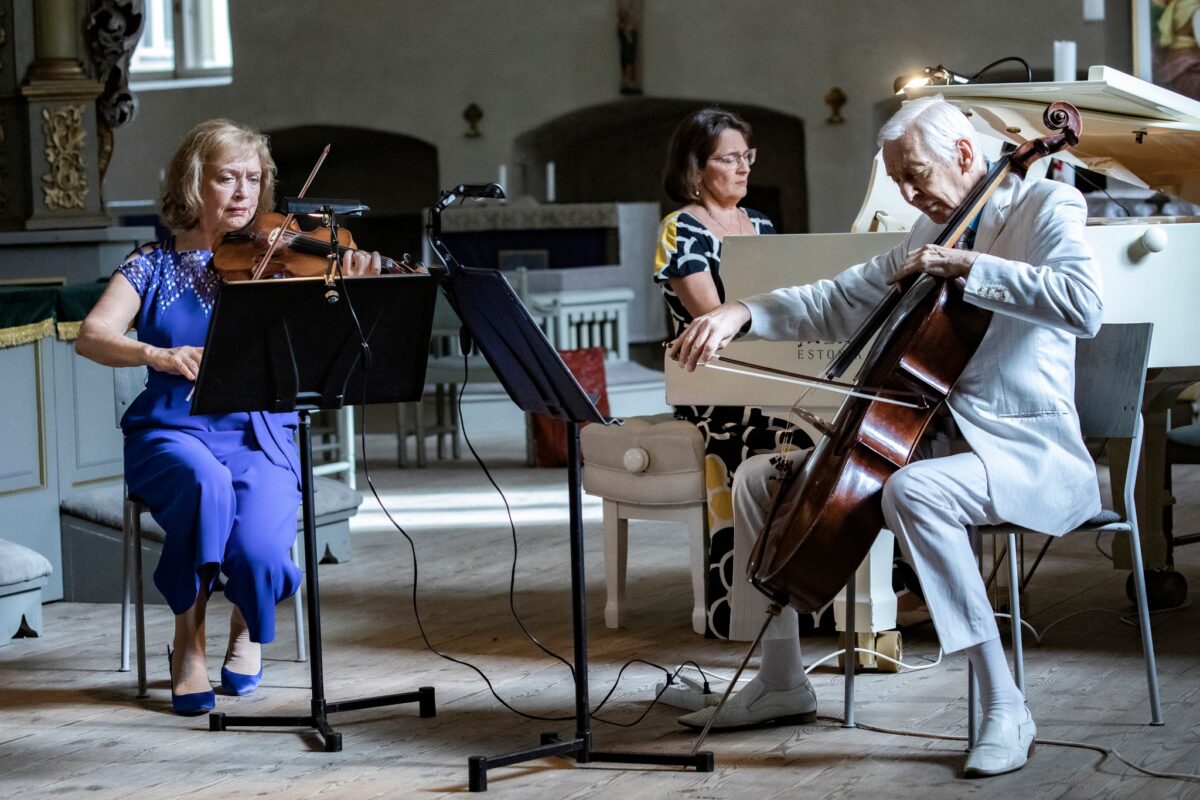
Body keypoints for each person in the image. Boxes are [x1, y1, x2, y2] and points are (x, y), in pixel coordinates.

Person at [669, 95, 1102, 778]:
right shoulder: (930, 231)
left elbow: (1083, 303)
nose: (906, 193)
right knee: (761, 481)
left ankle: (1003, 702)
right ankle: (783, 681)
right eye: (897, 180)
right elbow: (835, 298)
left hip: (1024, 453)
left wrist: (966, 268)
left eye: (915, 175)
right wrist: (740, 313)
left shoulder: (1045, 209)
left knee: (915, 493)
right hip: (933, 444)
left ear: (966, 155)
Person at [76, 119, 381, 715]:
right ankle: (187, 642)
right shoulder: (152, 265)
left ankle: (246, 625)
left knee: (262, 554)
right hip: (171, 430)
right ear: (195, 184)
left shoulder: (277, 263)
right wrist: (154, 353)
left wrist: (359, 286)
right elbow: (92, 335)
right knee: (204, 485)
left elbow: (327, 348)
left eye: (253, 178)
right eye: (227, 178)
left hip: (260, 432)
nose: (243, 192)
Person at [654, 107, 811, 639]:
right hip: (712, 387)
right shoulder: (681, 228)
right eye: (730, 158)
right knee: (788, 440)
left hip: (765, 374)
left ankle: (823, 601)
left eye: (748, 156)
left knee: (835, 430)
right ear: (696, 170)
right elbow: (712, 317)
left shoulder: (761, 224)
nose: (744, 168)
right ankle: (747, 607)